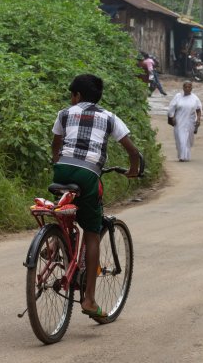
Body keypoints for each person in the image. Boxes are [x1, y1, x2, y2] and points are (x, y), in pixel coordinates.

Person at [51, 74, 142, 320]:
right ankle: (89, 299)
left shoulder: (64, 114)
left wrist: (58, 164)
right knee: (92, 232)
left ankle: (53, 243)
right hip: (88, 174)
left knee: (66, 205)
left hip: (62, 170)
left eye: (72, 95)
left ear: (77, 96)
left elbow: (56, 146)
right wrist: (133, 170)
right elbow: (132, 151)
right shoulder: (109, 118)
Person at [167, 81, 203, 161]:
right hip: (179, 121)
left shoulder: (195, 98)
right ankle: (182, 156)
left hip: (190, 121)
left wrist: (198, 119)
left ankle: (185, 155)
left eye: (189, 87)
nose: (187, 88)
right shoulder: (178, 96)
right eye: (185, 87)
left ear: (191, 88)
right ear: (183, 88)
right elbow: (172, 107)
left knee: (188, 139)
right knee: (180, 138)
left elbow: (198, 110)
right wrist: (172, 117)